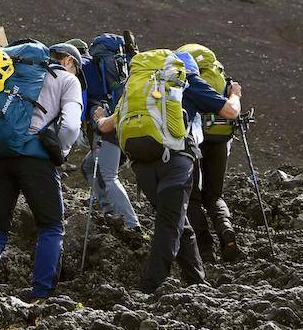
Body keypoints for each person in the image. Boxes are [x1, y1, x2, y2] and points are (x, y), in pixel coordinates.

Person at [93, 50, 240, 295]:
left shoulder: (140, 87)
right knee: (170, 224)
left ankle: (197, 281)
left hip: (142, 164)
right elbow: (230, 112)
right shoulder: (187, 81)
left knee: (178, 222)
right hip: (176, 162)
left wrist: (98, 117)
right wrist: (234, 94)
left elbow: (107, 125)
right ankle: (149, 287)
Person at [0, 42, 84, 300]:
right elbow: (71, 125)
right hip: (35, 160)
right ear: (68, 61)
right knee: (51, 227)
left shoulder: (10, 72)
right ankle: (41, 294)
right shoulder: (66, 80)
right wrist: (61, 152)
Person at [177, 45, 242, 262]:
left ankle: (205, 249)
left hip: (194, 140)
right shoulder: (219, 75)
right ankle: (227, 233)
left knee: (193, 196)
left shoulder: (185, 79)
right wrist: (235, 94)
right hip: (221, 139)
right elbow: (230, 110)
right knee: (214, 195)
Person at [74, 33, 142, 235]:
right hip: (124, 122)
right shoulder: (114, 68)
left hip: (107, 128)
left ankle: (132, 224)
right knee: (88, 166)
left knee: (108, 175)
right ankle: (110, 212)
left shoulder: (85, 70)